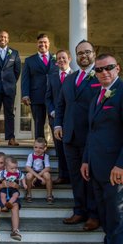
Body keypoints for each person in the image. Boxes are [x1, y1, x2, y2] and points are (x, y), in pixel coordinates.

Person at [80, 53, 123, 244]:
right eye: (99, 70)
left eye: (108, 67)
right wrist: (85, 159)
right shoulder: (96, 98)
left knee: (118, 221)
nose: (104, 72)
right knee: (107, 219)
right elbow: (92, 133)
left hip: (117, 172)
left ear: (117, 68)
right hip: (98, 170)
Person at [54, 40, 100, 231]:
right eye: (80, 53)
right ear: (76, 56)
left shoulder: (100, 77)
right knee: (75, 176)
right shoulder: (70, 79)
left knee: (91, 177)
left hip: (91, 137)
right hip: (69, 137)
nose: (84, 56)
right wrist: (58, 124)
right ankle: (79, 210)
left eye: (87, 52)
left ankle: (94, 215)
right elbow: (61, 104)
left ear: (93, 54)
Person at [21, 33, 59, 138]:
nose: (43, 44)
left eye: (45, 42)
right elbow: (25, 79)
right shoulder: (29, 60)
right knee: (38, 123)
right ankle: (40, 149)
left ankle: (58, 147)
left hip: (53, 96)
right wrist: (25, 94)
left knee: (55, 122)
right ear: (37, 44)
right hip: (36, 96)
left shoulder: (56, 59)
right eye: (40, 42)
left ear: (49, 44)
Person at [45, 49, 71, 185]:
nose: (61, 60)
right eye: (58, 58)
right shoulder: (52, 77)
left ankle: (74, 175)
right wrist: (52, 111)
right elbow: (48, 97)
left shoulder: (75, 76)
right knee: (59, 148)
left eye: (63, 58)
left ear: (69, 59)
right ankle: (62, 175)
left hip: (72, 119)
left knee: (72, 147)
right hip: (56, 119)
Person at [0, 153, 22, 241]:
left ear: (6, 164)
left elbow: (19, 186)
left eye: (1, 163)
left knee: (15, 206)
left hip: (11, 194)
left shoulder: (14, 172)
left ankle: (15, 230)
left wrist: (16, 186)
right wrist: (0, 186)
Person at [24, 137, 53, 204]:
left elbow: (47, 168)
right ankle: (28, 194)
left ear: (45, 148)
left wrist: (39, 176)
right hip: (33, 174)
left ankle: (49, 195)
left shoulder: (46, 156)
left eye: (40, 148)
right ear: (33, 147)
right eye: (36, 147)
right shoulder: (30, 156)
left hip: (41, 174)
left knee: (47, 174)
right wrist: (38, 177)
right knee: (28, 175)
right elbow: (27, 168)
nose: (37, 150)